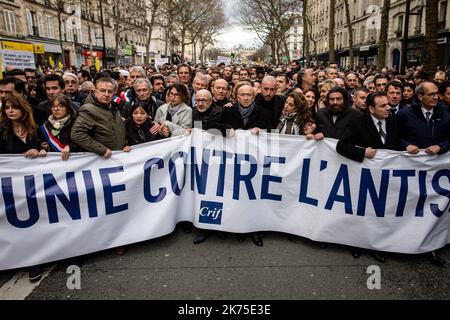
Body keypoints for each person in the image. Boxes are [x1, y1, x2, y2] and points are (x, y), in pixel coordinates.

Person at [397, 81, 450, 266]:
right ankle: (404, 240)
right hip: (411, 169)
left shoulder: (445, 113)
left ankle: (430, 246)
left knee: (430, 209)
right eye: (432, 94)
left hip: (436, 171)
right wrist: (406, 145)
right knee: (411, 205)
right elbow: (396, 136)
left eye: (437, 94)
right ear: (420, 97)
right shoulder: (405, 114)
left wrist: (441, 147)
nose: (436, 97)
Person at [0, 93, 47, 282]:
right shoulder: (2, 131)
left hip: (34, 186)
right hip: (10, 188)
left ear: (23, 109)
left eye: (14, 107)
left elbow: (46, 148)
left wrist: (42, 151)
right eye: (7, 107)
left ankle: (38, 256)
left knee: (37, 221)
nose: (10, 111)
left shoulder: (34, 129)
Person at [39, 94, 80, 160]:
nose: (56, 109)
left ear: (68, 109)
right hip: (55, 165)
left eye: (60, 106)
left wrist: (71, 147)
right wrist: (43, 149)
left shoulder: (76, 123)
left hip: (74, 162)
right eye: (53, 106)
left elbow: (84, 143)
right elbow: (40, 142)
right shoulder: (46, 126)